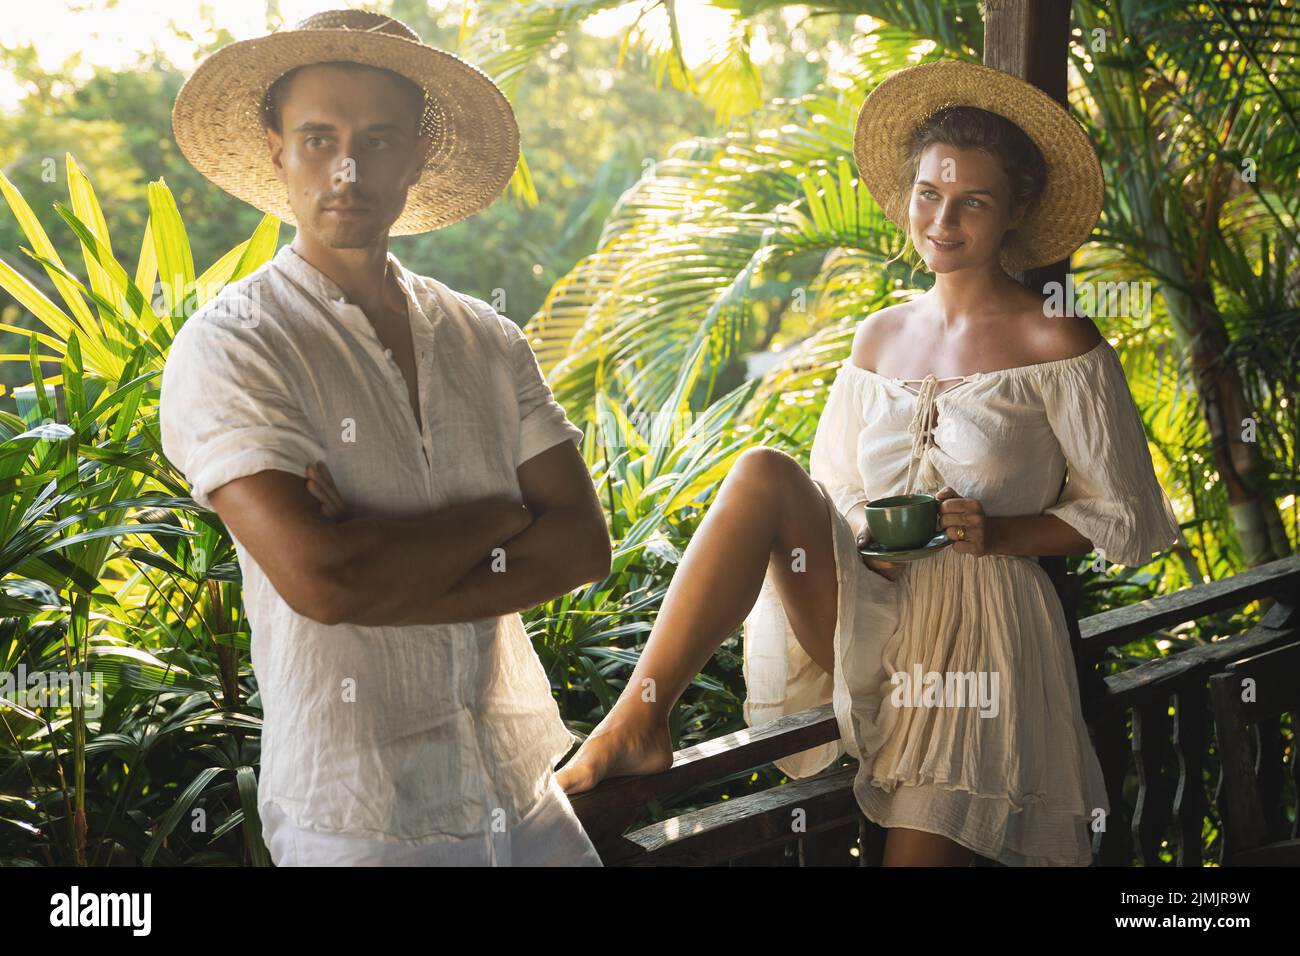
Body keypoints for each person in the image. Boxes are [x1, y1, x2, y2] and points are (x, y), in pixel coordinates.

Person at [554, 59, 1181, 866]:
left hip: (979, 631)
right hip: (869, 599)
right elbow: (838, 481)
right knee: (761, 475)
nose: (943, 220)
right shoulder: (877, 338)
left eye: (972, 202)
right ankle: (638, 717)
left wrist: (1000, 530)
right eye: (928, 194)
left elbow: (1126, 517)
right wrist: (857, 521)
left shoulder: (1058, 341)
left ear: (1016, 211)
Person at [161, 10, 610, 866]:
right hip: (358, 815)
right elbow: (327, 580)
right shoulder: (236, 343)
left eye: (378, 138)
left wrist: (384, 565)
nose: (348, 169)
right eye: (318, 138)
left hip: (518, 789)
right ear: (275, 151)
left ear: (418, 156)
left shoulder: (487, 337)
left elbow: (583, 545)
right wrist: (501, 515)